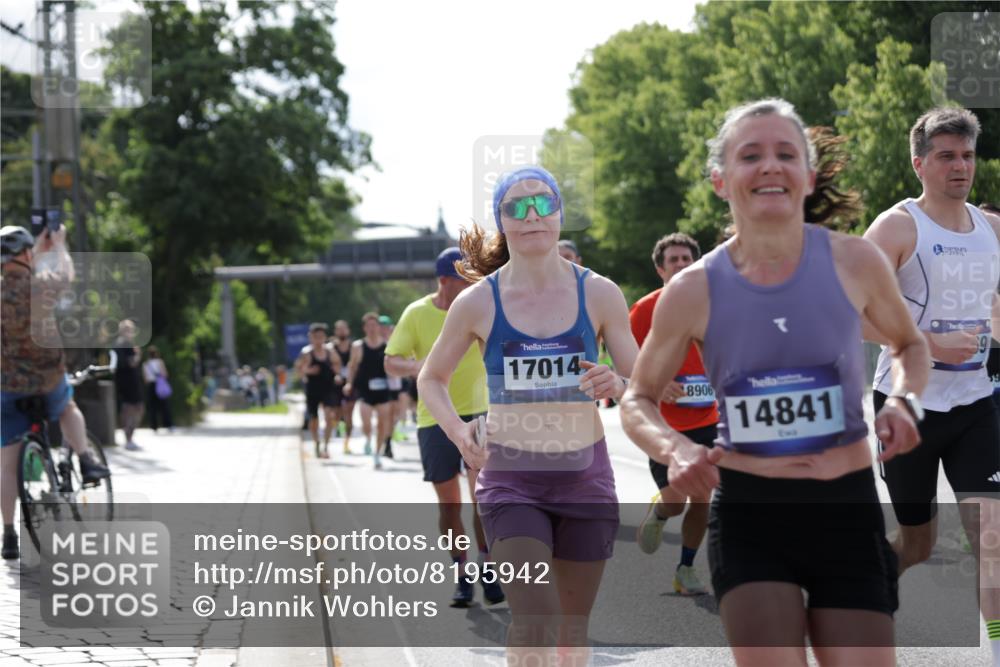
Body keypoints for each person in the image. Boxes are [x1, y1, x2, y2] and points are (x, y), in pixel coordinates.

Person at [620, 99, 930, 666]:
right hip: (751, 514)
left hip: (846, 511)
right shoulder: (692, 289)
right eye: (750, 155)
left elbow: (909, 344)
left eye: (786, 154)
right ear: (720, 179)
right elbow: (636, 399)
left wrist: (905, 402)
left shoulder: (855, 261)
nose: (769, 165)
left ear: (808, 177)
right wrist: (677, 447)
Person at [419, 166, 637, 662]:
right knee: (536, 622)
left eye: (544, 203)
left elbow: (642, 382)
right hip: (511, 479)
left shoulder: (599, 293)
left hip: (585, 475)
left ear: (560, 213)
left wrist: (619, 383)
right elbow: (430, 378)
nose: (532, 215)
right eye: (517, 207)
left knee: (571, 636)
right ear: (502, 220)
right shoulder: (478, 301)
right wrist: (458, 434)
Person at [863, 108, 1000, 665]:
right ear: (919, 163)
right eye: (946, 156)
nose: (959, 166)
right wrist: (927, 344)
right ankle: (869, 588)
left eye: (967, 155)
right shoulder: (897, 227)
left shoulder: (993, 229)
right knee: (917, 542)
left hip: (974, 404)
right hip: (907, 405)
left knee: (991, 535)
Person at [385, 247, 505, 607]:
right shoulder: (417, 313)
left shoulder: (479, 306)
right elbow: (391, 361)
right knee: (449, 505)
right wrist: (420, 367)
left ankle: (487, 567)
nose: (472, 285)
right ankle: (462, 574)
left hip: (478, 414)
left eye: (475, 278)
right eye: (463, 279)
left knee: (482, 500)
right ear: (443, 281)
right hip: (434, 419)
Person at [1, 225, 110, 560]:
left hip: (6, 386)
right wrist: (58, 245)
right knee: (67, 409)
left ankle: (8, 535)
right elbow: (66, 274)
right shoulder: (38, 285)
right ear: (26, 254)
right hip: (47, 378)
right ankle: (85, 459)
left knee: (6, 464)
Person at [631, 232, 719, 596]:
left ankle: (685, 568)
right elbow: (627, 360)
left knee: (703, 498)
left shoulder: (716, 305)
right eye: (674, 261)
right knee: (676, 502)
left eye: (688, 260)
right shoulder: (644, 311)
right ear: (660, 270)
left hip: (707, 419)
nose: (682, 265)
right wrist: (655, 382)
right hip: (663, 426)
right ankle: (662, 511)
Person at [345, 313, 393, 469]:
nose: (372, 329)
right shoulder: (358, 346)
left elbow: (393, 365)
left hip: (383, 390)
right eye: (369, 326)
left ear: (379, 327)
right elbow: (352, 367)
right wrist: (348, 383)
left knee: (382, 424)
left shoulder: (387, 345)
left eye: (375, 325)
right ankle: (367, 438)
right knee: (366, 423)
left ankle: (377, 453)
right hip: (364, 390)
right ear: (364, 328)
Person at [294, 323, 340, 459]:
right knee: (314, 420)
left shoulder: (330, 352)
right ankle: (316, 443)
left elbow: (338, 366)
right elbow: (298, 371)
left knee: (329, 416)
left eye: (321, 337)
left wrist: (337, 375)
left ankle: (326, 445)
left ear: (325, 337)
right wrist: (308, 371)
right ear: (310, 337)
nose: (318, 340)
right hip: (313, 389)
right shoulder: (306, 353)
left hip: (328, 388)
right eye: (315, 337)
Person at [113, 319, 145, 451]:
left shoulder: (120, 344)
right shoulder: (124, 344)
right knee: (132, 409)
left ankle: (129, 438)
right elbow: (131, 363)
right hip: (128, 381)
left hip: (125, 380)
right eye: (129, 330)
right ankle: (128, 438)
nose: (131, 333)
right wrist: (138, 355)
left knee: (132, 408)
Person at [330, 320, 356, 454]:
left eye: (344, 329)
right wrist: (337, 374)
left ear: (348, 330)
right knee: (336, 412)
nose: (342, 332)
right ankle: (337, 424)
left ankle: (346, 442)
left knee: (349, 413)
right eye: (339, 329)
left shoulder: (354, 347)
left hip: (350, 383)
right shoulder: (331, 348)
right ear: (335, 332)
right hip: (335, 384)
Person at [142, 345, 173, 433]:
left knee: (152, 407)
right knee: (165, 406)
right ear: (156, 353)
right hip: (160, 385)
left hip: (151, 386)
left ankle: (154, 426)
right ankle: (168, 424)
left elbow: (145, 379)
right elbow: (165, 374)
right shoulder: (160, 362)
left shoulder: (145, 364)